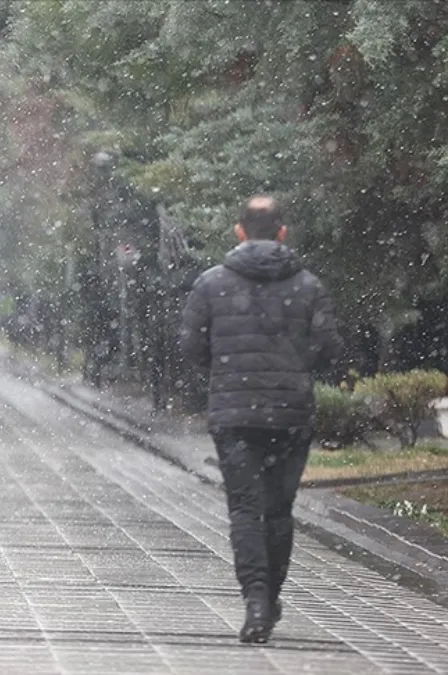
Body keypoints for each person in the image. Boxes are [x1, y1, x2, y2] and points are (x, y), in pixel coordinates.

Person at [180, 195, 340, 643]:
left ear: (239, 231)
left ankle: (255, 600)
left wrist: (228, 370)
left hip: (233, 414)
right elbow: (327, 348)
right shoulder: (309, 285)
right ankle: (271, 597)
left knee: (245, 510)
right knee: (279, 510)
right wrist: (292, 369)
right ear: (283, 233)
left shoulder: (211, 284)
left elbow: (191, 346)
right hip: (291, 412)